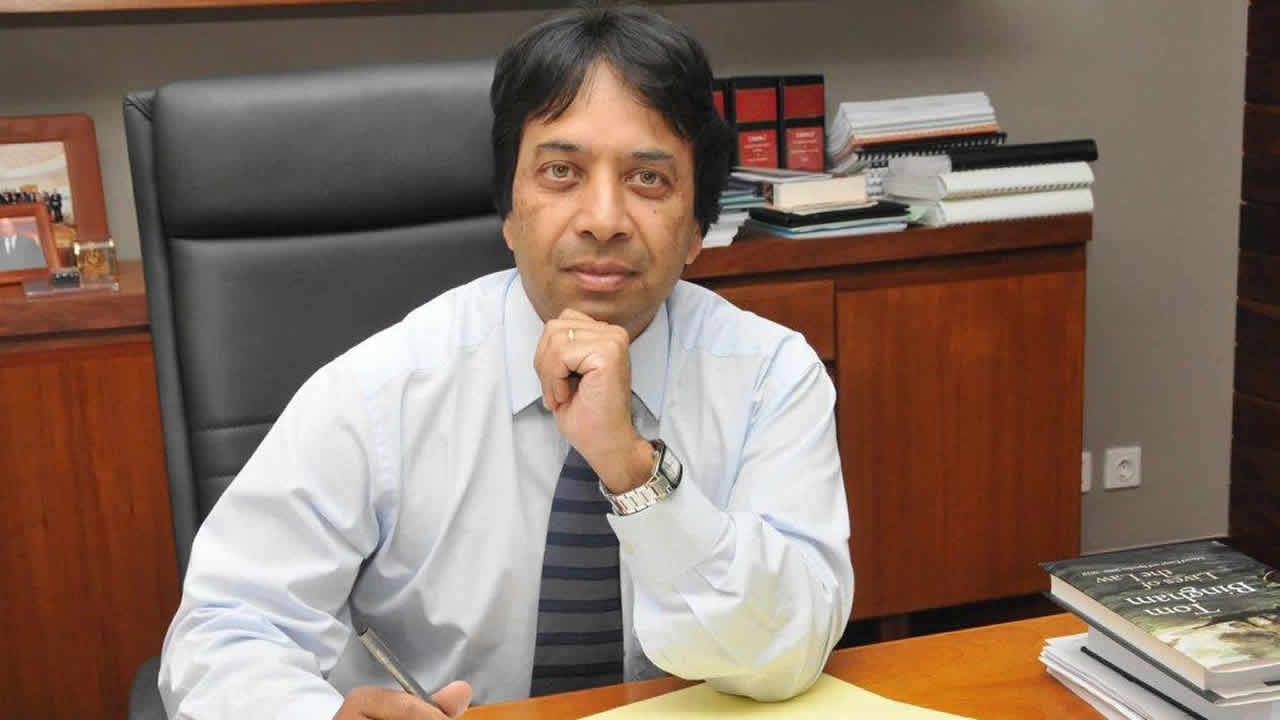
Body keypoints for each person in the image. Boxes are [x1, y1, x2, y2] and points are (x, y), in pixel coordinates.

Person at [158, 6, 853, 720]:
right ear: (509, 214)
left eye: (648, 179)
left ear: (699, 228)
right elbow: (223, 632)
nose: (603, 219)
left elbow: (791, 648)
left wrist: (632, 468)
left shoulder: (769, 377)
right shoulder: (382, 388)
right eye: (561, 172)